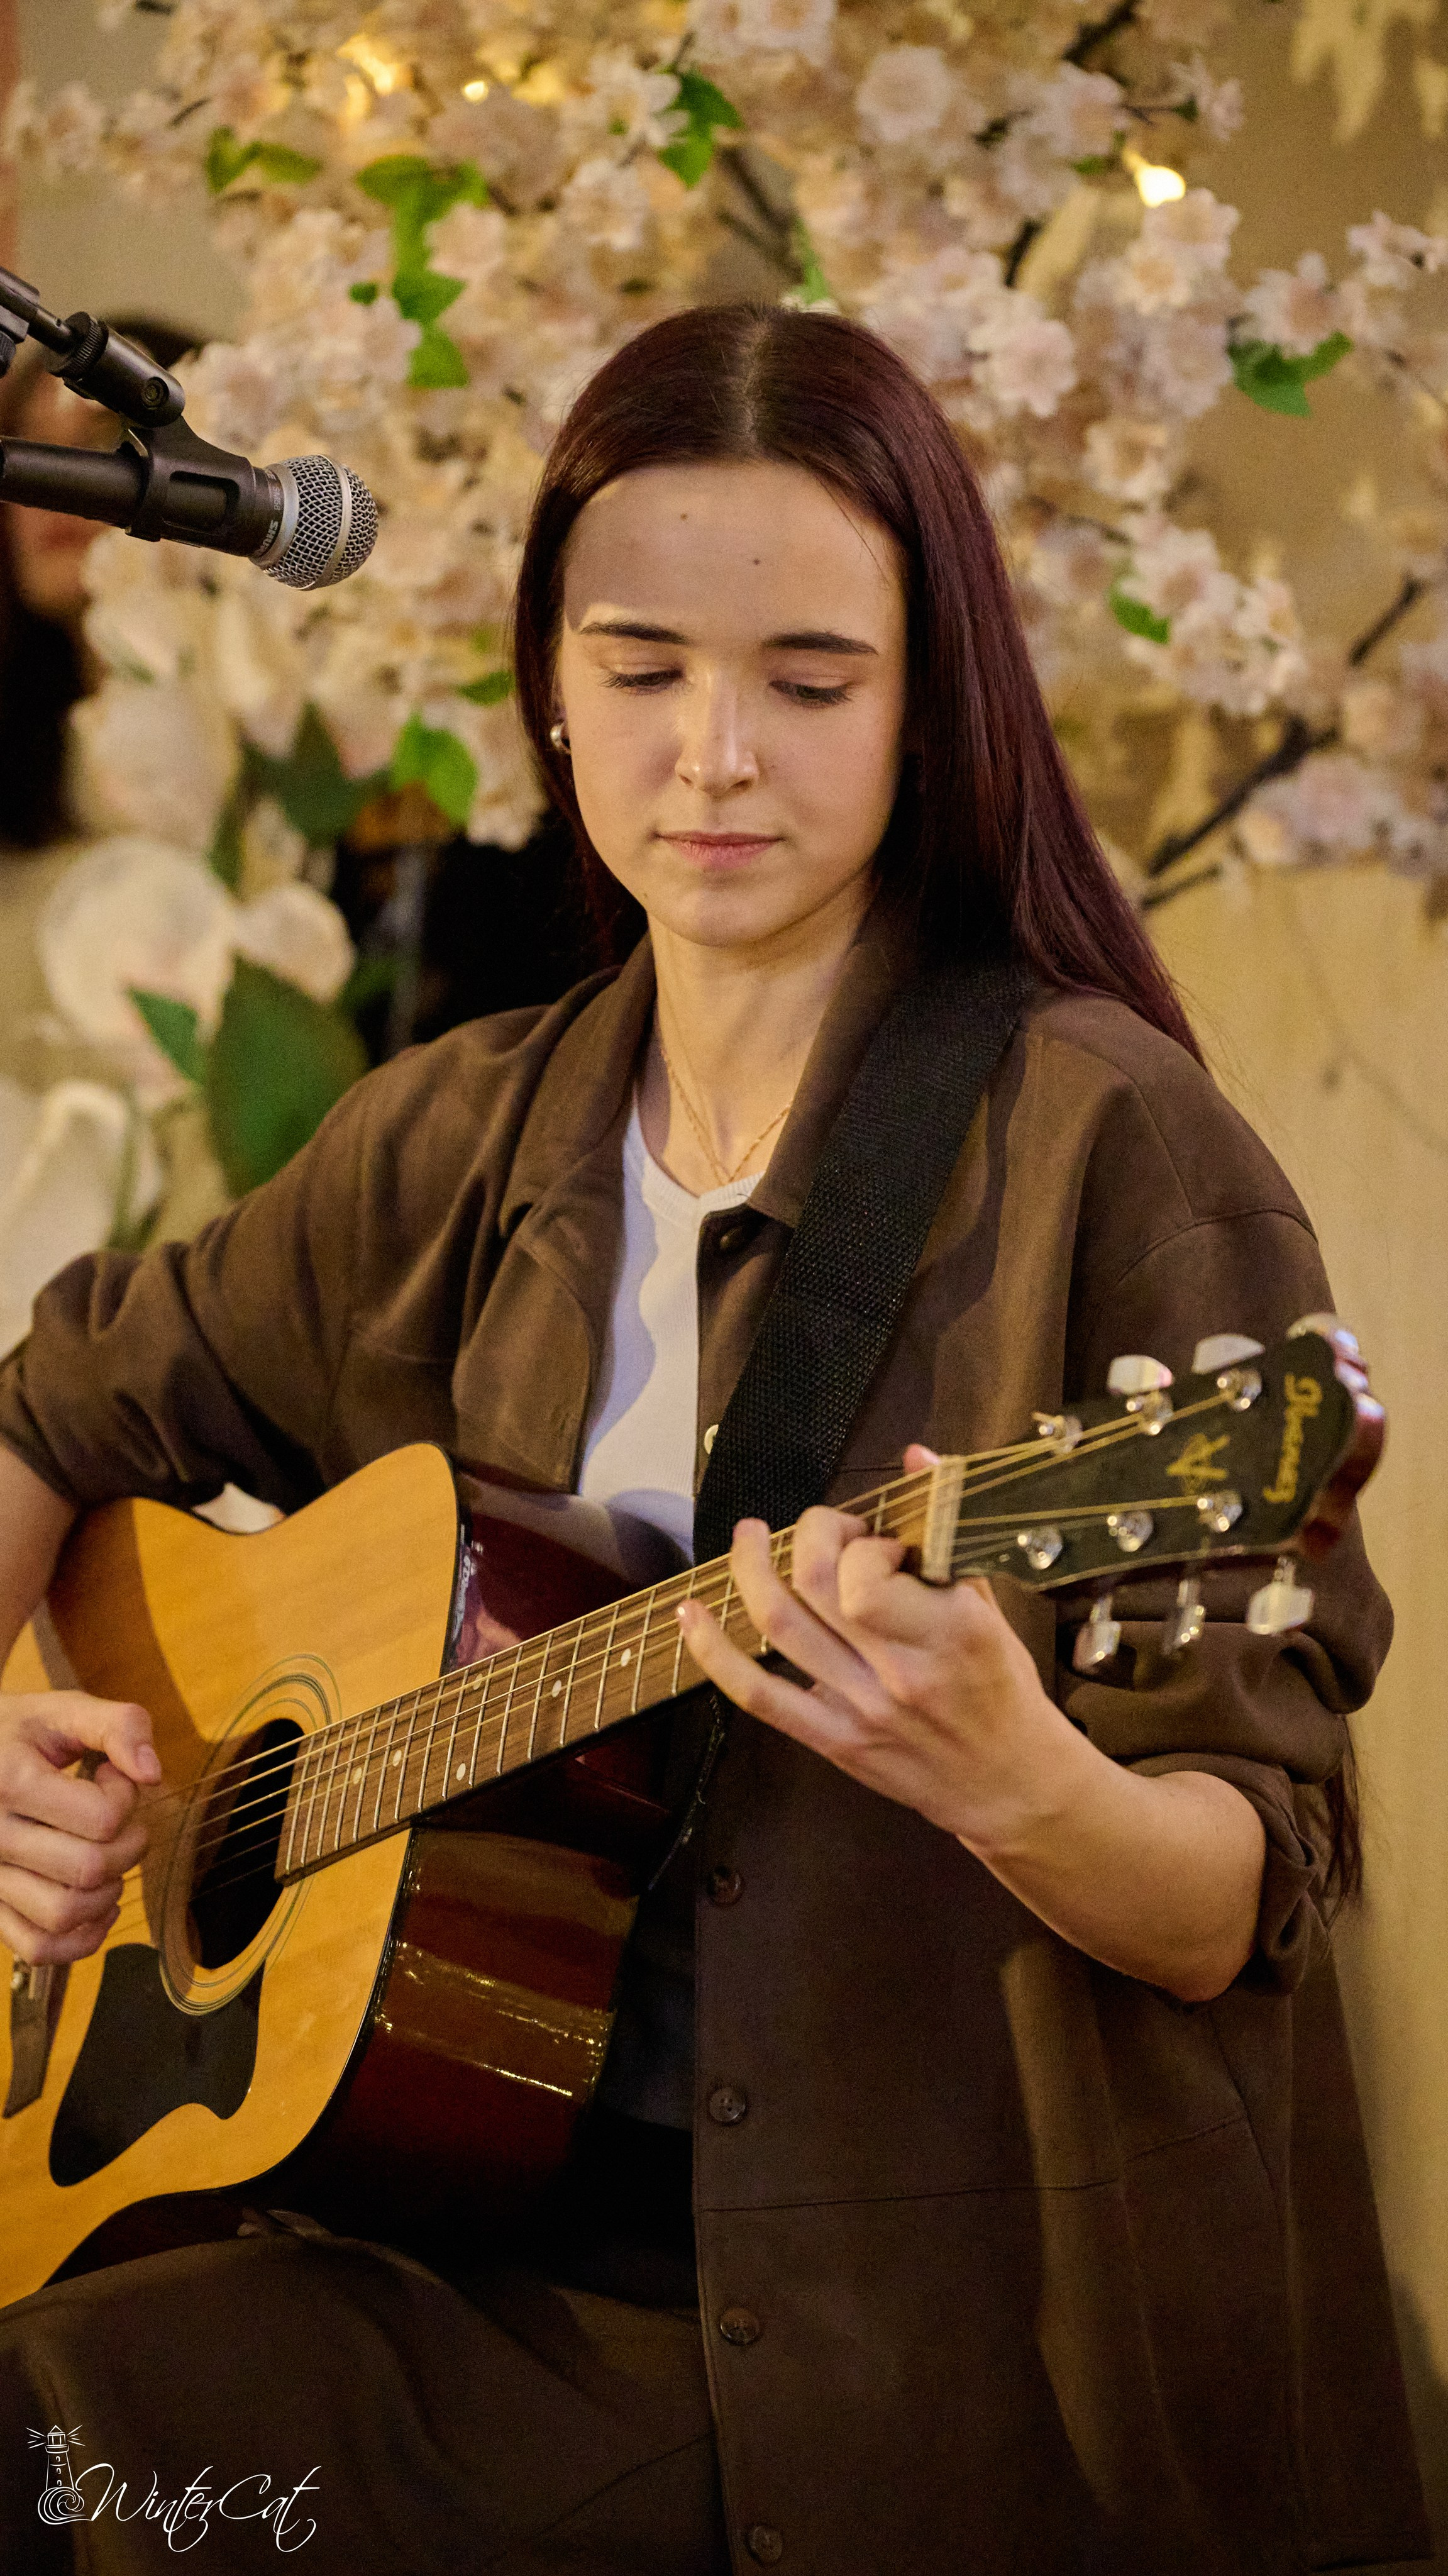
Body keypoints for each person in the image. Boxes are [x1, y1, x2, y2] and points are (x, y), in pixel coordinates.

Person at [0, 304, 1428, 2574]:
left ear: (928, 704)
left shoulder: (1112, 1149)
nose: (713, 757)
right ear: (550, 685)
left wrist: (1012, 1779)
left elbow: (1240, 1894)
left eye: (809, 680)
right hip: (446, 2220)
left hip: (890, 2326)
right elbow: (56, 1404)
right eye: (642, 668)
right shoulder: (467, 1133)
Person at [0, 318, 196, 1092]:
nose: (50, 482)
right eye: (26, 446)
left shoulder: (273, 736)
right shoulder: (23, 761)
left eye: (101, 442)